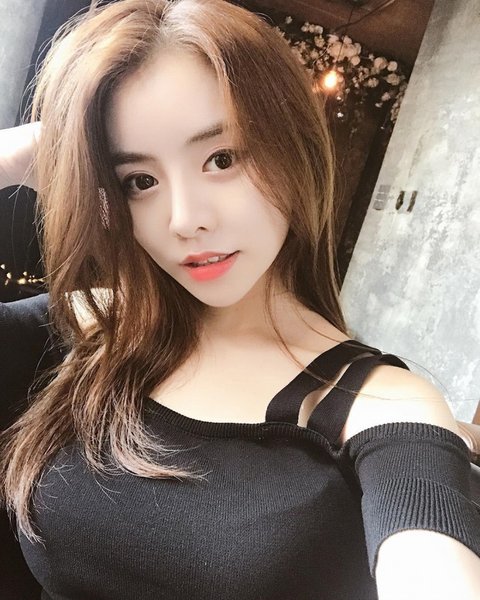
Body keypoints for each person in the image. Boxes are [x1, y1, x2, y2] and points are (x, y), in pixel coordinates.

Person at [0, 0, 479, 598]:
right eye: (140, 181)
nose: (184, 220)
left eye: (220, 159)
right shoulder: (93, 327)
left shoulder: (379, 408)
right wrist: (20, 153)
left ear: (294, 147)